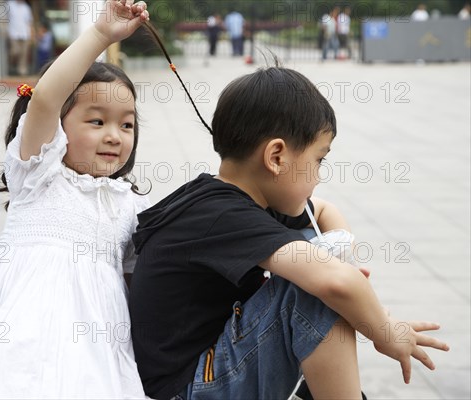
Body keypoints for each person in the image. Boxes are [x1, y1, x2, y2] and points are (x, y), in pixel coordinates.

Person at [129, 66, 450, 399]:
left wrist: (343, 258)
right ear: (276, 157)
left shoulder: (242, 197)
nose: (319, 176)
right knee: (312, 292)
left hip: (210, 368)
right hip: (191, 388)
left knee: (322, 276)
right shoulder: (221, 215)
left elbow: (325, 212)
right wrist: (385, 331)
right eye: (319, 159)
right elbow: (337, 283)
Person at [0, 1, 150, 398]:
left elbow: (142, 277)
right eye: (96, 120)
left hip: (99, 345)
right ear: (59, 128)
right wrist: (101, 35)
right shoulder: (38, 174)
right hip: (24, 336)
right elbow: (47, 98)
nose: (114, 136)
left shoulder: (128, 204)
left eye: (127, 124)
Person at [8, 0, 33, 76]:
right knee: (15, 51)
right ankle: (11, 66)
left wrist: (31, 33)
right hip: (13, 33)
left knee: (24, 54)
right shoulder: (10, 5)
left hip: (24, 34)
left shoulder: (26, 7)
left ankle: (22, 71)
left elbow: (29, 21)